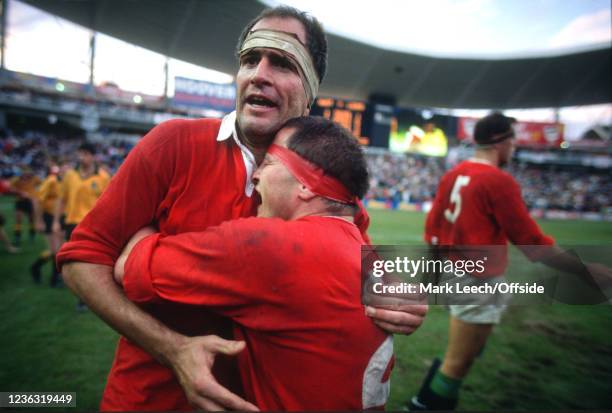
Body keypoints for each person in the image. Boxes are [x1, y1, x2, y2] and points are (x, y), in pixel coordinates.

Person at [57, 6, 426, 411]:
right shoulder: (172, 144)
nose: (258, 74)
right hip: (147, 402)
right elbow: (81, 259)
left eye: (282, 62)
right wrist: (173, 349)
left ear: (310, 89)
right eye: (250, 60)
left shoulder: (330, 182)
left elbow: (356, 268)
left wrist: (401, 291)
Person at [114, 117, 394, 410]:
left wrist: (145, 230)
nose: (256, 175)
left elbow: (128, 267)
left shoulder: (271, 245)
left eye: (269, 163)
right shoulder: (367, 253)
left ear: (306, 183)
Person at [408, 112, 612, 411]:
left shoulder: (454, 173)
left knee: (466, 353)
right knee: (458, 363)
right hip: (476, 277)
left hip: (458, 272)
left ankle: (429, 400)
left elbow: (432, 229)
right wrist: (584, 271)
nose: (515, 147)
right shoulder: (498, 181)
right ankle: (422, 405)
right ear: (499, 142)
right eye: (513, 140)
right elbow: (533, 243)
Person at [54, 143, 110, 309]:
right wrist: (57, 221)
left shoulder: (103, 177)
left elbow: (107, 204)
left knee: (88, 263)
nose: (81, 157)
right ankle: (79, 293)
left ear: (93, 156)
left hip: (92, 225)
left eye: (85, 154)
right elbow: (61, 199)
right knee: (72, 262)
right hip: (72, 223)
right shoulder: (70, 175)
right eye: (80, 154)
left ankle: (83, 298)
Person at [30, 160, 65, 286]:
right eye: (64, 166)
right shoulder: (51, 180)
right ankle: (53, 279)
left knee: (57, 250)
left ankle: (48, 274)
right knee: (56, 250)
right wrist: (39, 220)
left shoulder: (65, 182)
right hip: (49, 217)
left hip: (60, 217)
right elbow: (37, 199)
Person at [9, 166, 41, 245]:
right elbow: (10, 188)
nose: (26, 173)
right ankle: (17, 236)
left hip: (30, 201)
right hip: (20, 201)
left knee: (31, 219)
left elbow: (42, 185)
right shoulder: (16, 179)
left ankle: (32, 235)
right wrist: (20, 192)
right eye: (24, 171)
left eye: (27, 171)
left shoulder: (34, 178)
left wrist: (35, 195)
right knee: (18, 218)